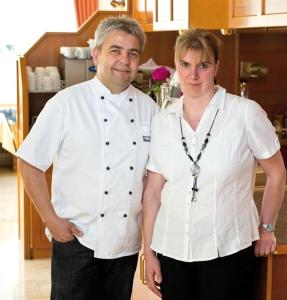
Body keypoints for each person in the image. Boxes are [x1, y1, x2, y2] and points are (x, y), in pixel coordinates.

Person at [17, 16, 157, 300]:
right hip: (76, 241)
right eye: (115, 51)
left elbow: (154, 180)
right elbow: (29, 163)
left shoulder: (150, 109)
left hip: (125, 243)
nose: (124, 60)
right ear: (97, 54)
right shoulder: (66, 103)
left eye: (132, 53)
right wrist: (51, 221)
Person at [142, 29, 286, 300]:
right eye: (185, 64)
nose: (192, 75)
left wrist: (267, 229)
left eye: (203, 66)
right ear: (176, 66)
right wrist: (148, 252)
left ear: (216, 67)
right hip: (172, 249)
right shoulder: (163, 120)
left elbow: (277, 174)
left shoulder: (245, 113)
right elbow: (152, 192)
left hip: (229, 249)